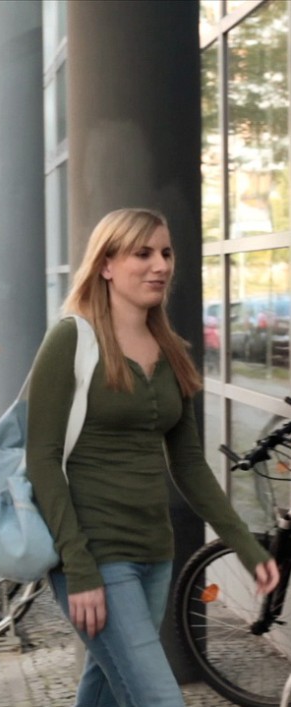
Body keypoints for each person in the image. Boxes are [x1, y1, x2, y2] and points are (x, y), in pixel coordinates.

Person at [26, 207, 279, 707]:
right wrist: (79, 568)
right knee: (159, 697)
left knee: (103, 689)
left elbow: (188, 464)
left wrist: (247, 548)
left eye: (165, 253)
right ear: (106, 264)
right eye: (142, 253)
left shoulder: (170, 349)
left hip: (154, 555)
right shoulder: (71, 340)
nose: (160, 265)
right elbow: (42, 459)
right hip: (96, 554)